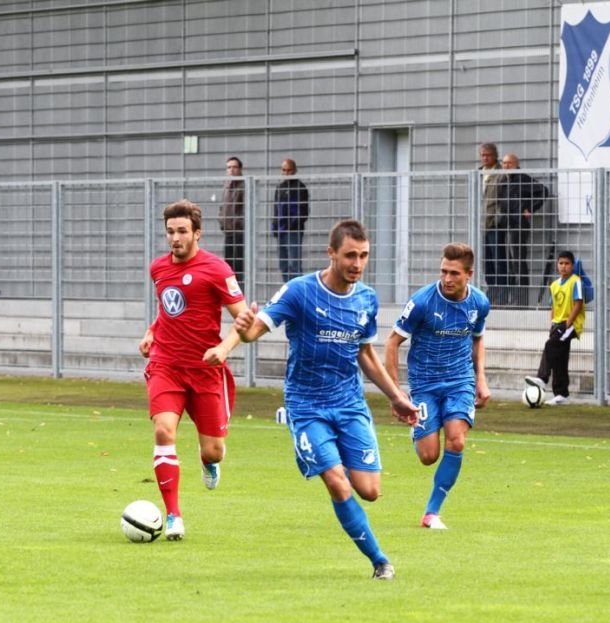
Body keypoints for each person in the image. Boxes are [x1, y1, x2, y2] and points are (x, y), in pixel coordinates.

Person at [233, 219, 419, 580]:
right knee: (337, 482)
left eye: (363, 255)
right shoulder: (299, 291)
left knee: (370, 491)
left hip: (349, 404)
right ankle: (380, 561)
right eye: (350, 255)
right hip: (306, 405)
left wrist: (396, 397)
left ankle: (330, 456)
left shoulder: (366, 298)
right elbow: (257, 328)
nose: (357, 263)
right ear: (331, 253)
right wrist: (245, 330)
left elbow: (365, 353)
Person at [138, 199, 248, 541]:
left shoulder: (217, 270)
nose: (175, 238)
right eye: (170, 232)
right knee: (163, 431)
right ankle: (174, 515)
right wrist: (151, 331)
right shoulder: (158, 268)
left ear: (197, 233)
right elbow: (166, 310)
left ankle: (209, 461)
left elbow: (245, 319)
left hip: (205, 370)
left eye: (182, 231)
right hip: (166, 365)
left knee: (213, 449)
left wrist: (223, 348)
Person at [384, 242, 491, 531]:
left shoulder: (479, 303)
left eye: (454, 273)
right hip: (425, 384)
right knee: (428, 456)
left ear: (469, 274)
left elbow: (477, 339)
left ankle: (432, 513)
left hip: (460, 381)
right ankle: (419, 430)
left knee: (456, 440)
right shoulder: (422, 302)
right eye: (443, 271)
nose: (446, 278)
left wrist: (480, 378)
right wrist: (396, 393)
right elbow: (392, 343)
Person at [524, 250, 585, 406]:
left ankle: (542, 378)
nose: (563, 266)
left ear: (572, 266)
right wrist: (552, 323)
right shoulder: (554, 285)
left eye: (567, 263)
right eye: (561, 263)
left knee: (550, 346)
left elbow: (578, 304)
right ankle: (562, 394)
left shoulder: (576, 281)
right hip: (557, 324)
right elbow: (553, 307)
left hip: (570, 324)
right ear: (557, 265)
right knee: (560, 358)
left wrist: (568, 323)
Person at [496, 153, 547, 307]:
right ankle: (512, 298)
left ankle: (522, 301)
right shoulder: (504, 181)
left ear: (516, 165)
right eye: (504, 163)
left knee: (518, 261)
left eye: (509, 163)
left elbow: (543, 191)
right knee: (509, 263)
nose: (506, 166)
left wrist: (530, 208)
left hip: (518, 225)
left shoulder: (522, 178)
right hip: (507, 224)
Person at [272, 158, 310, 283]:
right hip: (281, 231)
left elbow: (303, 212)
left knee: (295, 264)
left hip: (293, 231)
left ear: (294, 170)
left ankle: (298, 290)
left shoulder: (300, 188)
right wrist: (275, 226)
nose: (286, 173)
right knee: (283, 265)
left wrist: (290, 225)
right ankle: (289, 289)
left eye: (289, 170)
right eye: (284, 170)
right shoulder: (280, 188)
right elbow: (276, 209)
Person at [479, 143, 507, 305]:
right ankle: (492, 291)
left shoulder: (501, 173)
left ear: (495, 155)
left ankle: (502, 294)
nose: (485, 158)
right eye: (483, 155)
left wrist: (498, 217)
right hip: (483, 223)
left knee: (499, 259)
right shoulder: (479, 173)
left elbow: (505, 198)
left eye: (488, 155)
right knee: (486, 260)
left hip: (495, 223)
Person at [217, 156, 245, 291]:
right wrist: (222, 221)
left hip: (240, 232)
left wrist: (239, 223)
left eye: (234, 167)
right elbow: (223, 206)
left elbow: (245, 209)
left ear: (240, 169)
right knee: (228, 266)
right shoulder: (226, 185)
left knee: (240, 265)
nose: (231, 170)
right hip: (228, 231)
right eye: (229, 167)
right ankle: (232, 294)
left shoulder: (244, 186)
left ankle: (241, 294)